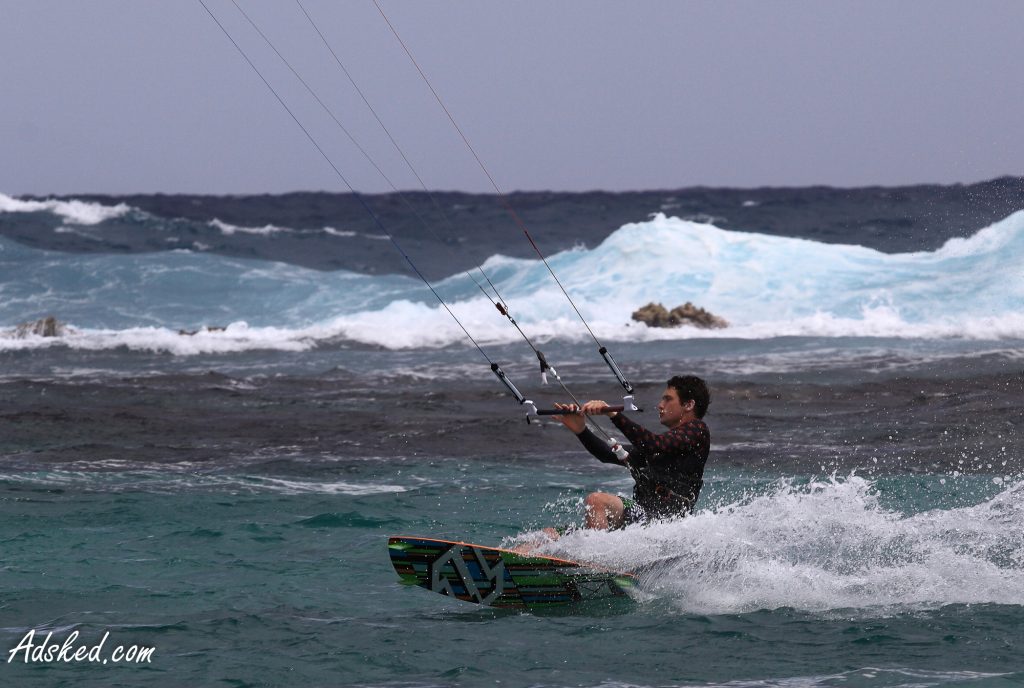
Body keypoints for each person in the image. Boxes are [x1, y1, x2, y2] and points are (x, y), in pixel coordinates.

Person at [552, 375, 711, 532]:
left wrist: (613, 414)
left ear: (689, 404)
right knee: (550, 534)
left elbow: (654, 444)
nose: (660, 405)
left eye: (668, 399)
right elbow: (607, 455)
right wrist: (581, 430)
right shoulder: (661, 448)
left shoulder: (698, 430)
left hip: (667, 524)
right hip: (642, 519)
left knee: (596, 501)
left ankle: (593, 557)